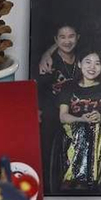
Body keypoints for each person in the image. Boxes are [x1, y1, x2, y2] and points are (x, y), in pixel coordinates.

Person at [57, 49, 101, 191]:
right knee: (83, 128)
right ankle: (80, 180)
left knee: (94, 127)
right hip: (72, 131)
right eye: (88, 62)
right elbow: (63, 116)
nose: (92, 67)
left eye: (97, 63)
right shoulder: (69, 86)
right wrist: (80, 119)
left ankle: (82, 181)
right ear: (79, 64)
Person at [36, 23, 81, 180]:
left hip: (76, 108)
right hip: (53, 111)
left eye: (71, 36)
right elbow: (38, 90)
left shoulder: (82, 58)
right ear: (56, 40)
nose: (67, 41)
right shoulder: (49, 62)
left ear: (78, 37)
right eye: (62, 37)